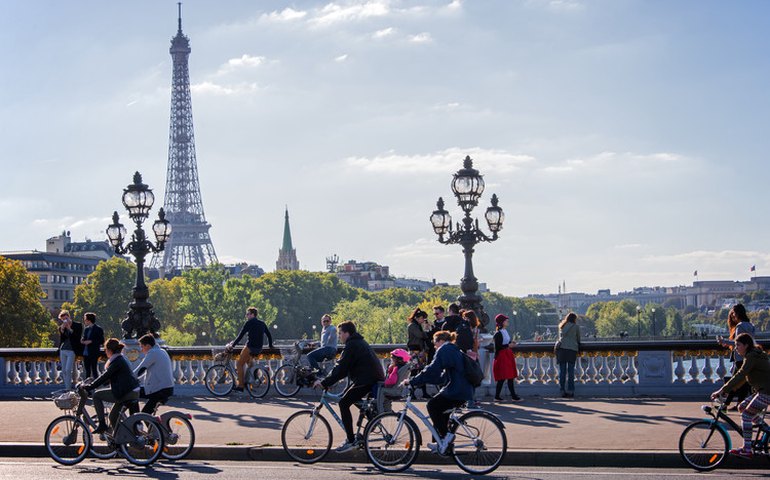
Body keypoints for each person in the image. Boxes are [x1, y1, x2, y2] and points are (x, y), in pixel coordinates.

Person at [314, 321, 384, 453]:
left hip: (366, 380)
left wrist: (324, 383)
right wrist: (329, 381)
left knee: (343, 403)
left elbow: (340, 368)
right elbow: (343, 369)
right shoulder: (358, 342)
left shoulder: (351, 345)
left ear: (347, 333)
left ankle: (351, 440)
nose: (339, 336)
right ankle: (372, 417)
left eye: (340, 333)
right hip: (370, 378)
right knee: (348, 395)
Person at [404, 330, 473, 455]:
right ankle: (441, 443)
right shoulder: (453, 349)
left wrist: (413, 381)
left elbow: (431, 369)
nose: (434, 346)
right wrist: (422, 381)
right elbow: (441, 377)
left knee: (432, 405)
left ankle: (447, 437)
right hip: (463, 389)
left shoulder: (444, 350)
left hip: (456, 390)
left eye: (434, 342)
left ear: (441, 341)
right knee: (441, 411)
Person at [711, 333, 770, 459]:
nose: (736, 348)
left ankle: (747, 449)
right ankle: (767, 431)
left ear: (746, 345)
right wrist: (728, 390)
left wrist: (722, 390)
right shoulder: (754, 354)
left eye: (738, 345)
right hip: (763, 391)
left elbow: (741, 375)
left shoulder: (751, 356)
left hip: (767, 392)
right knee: (742, 407)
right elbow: (743, 378)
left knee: (746, 415)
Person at [85, 338, 140, 434]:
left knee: (96, 395)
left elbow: (105, 376)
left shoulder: (117, 361)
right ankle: (120, 439)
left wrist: (90, 387)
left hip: (125, 393)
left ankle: (102, 424)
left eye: (105, 350)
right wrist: (95, 382)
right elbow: (108, 378)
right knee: (113, 417)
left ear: (110, 350)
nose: (105, 352)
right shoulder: (120, 359)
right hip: (130, 391)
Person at [227, 307, 274, 392]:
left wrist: (232, 345)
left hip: (250, 347)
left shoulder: (249, 323)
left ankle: (240, 386)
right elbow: (269, 335)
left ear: (253, 315)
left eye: (248, 314)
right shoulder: (262, 323)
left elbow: (240, 335)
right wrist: (270, 345)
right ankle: (249, 383)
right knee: (250, 364)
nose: (246, 316)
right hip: (259, 348)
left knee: (239, 364)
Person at [718, 304, 756, 409]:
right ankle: (739, 404)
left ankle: (725, 405)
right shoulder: (750, 325)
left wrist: (724, 341)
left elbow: (737, 342)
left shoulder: (740, 326)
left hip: (739, 357)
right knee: (743, 383)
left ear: (737, 314)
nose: (733, 316)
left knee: (734, 382)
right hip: (748, 355)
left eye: (734, 313)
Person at [134, 334, 174, 414]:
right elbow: (147, 372)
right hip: (167, 388)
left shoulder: (153, 353)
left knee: (133, 394)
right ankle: (139, 419)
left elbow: (141, 369)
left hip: (159, 390)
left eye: (142, 347)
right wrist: (137, 379)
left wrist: (128, 378)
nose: (141, 350)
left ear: (148, 346)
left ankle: (135, 420)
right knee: (146, 413)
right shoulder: (161, 351)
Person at [492, 314, 520, 401]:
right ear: (502, 322)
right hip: (502, 356)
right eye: (506, 320)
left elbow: (506, 342)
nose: (507, 321)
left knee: (509, 376)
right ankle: (501, 396)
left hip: (507, 354)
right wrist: (508, 345)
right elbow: (498, 347)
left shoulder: (504, 331)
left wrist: (511, 343)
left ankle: (507, 396)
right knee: (504, 376)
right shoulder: (498, 334)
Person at [406, 308, 432, 399]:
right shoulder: (413, 326)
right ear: (417, 318)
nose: (423, 321)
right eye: (422, 318)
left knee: (422, 371)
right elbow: (420, 335)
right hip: (414, 351)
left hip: (420, 350)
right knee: (414, 371)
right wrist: (426, 330)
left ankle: (424, 392)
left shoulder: (417, 325)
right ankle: (411, 392)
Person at [379, 348, 412, 412]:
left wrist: (384, 382)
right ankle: (388, 411)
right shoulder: (404, 367)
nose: (391, 359)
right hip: (399, 390)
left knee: (381, 390)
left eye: (393, 358)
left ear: (399, 359)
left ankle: (380, 410)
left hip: (395, 390)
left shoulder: (396, 368)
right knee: (386, 398)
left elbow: (392, 380)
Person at [57, 310, 83, 391]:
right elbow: (62, 339)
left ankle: (70, 387)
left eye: (66, 318)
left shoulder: (77, 325)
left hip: (72, 350)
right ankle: (67, 388)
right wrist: (62, 330)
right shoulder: (62, 327)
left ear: (69, 316)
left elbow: (77, 337)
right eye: (63, 320)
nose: (65, 321)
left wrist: (69, 328)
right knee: (64, 370)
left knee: (68, 369)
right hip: (63, 349)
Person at [556, 312, 581, 398]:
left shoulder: (562, 326)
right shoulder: (576, 327)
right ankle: (571, 390)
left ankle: (562, 390)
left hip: (562, 349)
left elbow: (560, 338)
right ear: (574, 319)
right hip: (572, 350)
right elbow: (578, 339)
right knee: (571, 372)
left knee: (562, 371)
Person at [80, 312, 104, 380]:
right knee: (87, 370)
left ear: (89, 320)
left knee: (94, 369)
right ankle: (87, 383)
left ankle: (96, 384)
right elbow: (84, 337)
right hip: (86, 352)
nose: (84, 321)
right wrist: (82, 340)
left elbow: (101, 341)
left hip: (94, 352)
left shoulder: (98, 329)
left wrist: (91, 341)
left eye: (85, 319)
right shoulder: (86, 329)